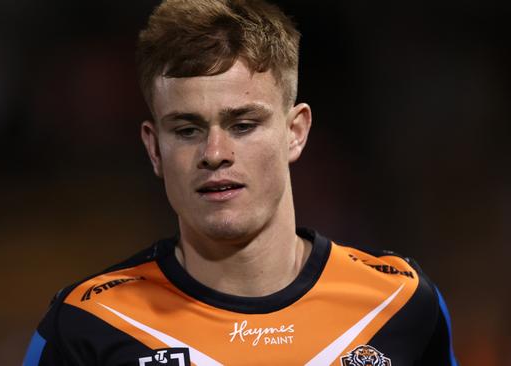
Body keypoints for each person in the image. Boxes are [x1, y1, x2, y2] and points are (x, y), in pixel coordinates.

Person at [23, 0, 457, 365]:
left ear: (296, 132)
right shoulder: (87, 326)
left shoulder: (400, 305)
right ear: (154, 149)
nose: (215, 153)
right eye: (187, 130)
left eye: (243, 124)